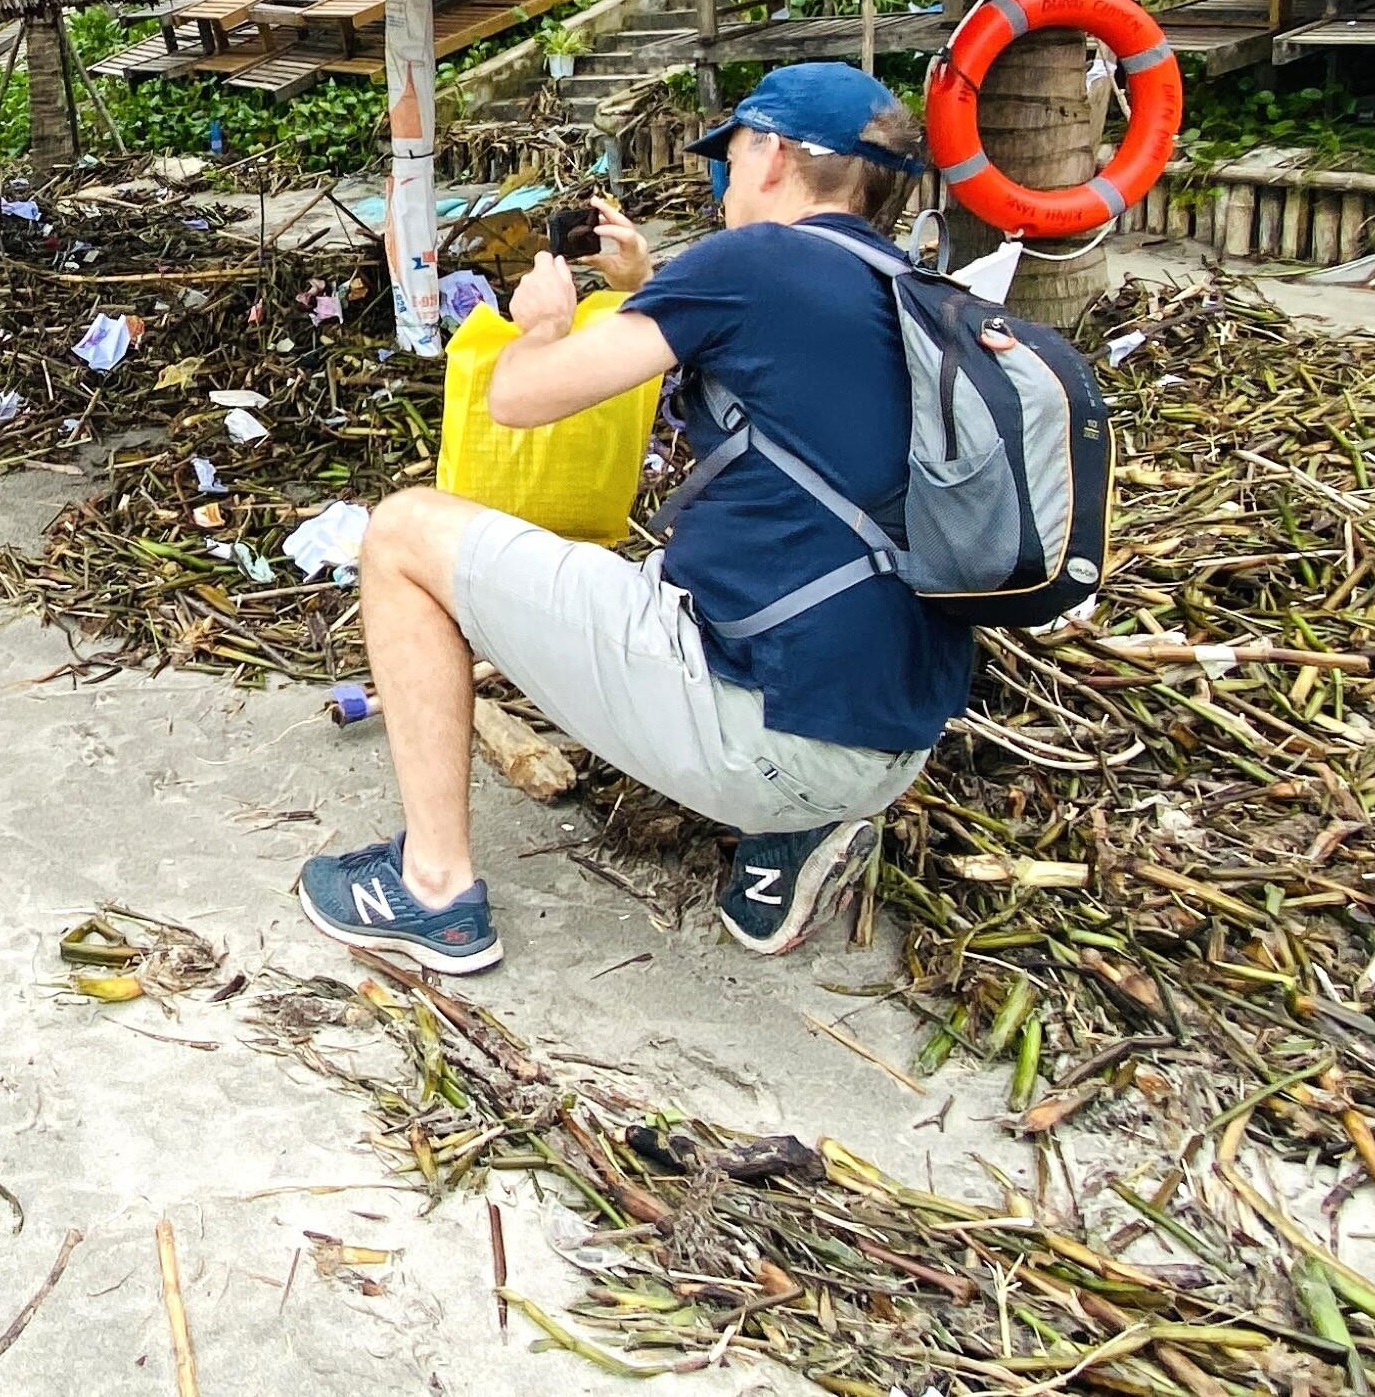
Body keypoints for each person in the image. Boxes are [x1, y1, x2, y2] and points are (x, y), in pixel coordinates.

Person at [296, 60, 967, 974]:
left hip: (769, 739)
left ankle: (433, 890)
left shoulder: (754, 263)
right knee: (683, 573)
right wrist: (647, 282)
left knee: (405, 532)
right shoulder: (907, 287)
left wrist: (540, 324)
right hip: (895, 739)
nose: (722, 179)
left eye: (729, 156)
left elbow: (522, 400)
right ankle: (793, 844)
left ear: (768, 155)